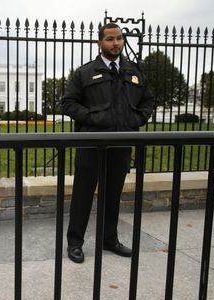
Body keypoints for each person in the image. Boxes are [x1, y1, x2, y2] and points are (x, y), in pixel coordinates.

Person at [61, 23, 154, 263]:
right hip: (92, 143)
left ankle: (109, 239)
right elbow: (69, 103)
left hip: (122, 142)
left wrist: (137, 119)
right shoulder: (85, 73)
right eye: (110, 39)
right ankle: (75, 243)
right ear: (100, 43)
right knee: (83, 193)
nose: (116, 43)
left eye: (119, 38)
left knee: (113, 194)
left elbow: (148, 101)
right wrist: (93, 119)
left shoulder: (134, 71)